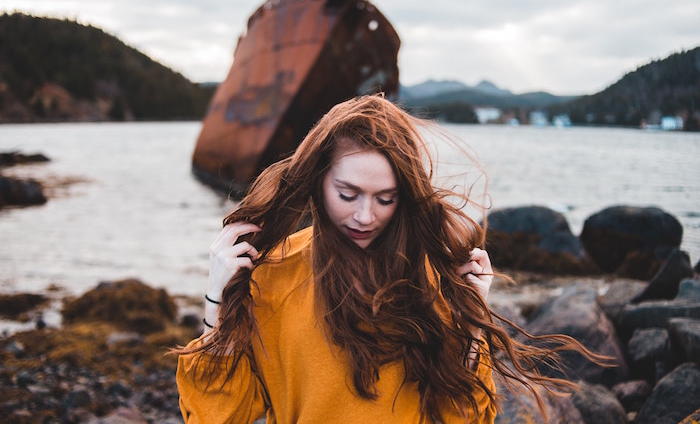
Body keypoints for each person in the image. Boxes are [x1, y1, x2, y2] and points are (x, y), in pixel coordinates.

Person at [175, 95, 601, 423]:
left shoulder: (431, 277)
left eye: (385, 199)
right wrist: (217, 298)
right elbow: (221, 416)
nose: (364, 216)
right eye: (348, 194)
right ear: (318, 181)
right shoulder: (272, 275)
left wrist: (472, 318)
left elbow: (464, 417)